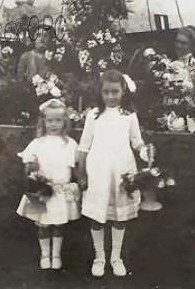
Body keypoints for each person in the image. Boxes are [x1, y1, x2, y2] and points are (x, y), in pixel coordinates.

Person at [77, 69, 151, 277]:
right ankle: (99, 257)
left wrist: (144, 151)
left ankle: (116, 257)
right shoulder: (93, 115)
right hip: (98, 171)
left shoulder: (129, 115)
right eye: (106, 92)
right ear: (100, 92)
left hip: (122, 171)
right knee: (97, 217)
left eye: (115, 92)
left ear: (123, 90)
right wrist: (81, 172)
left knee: (119, 216)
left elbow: (137, 141)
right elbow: (84, 146)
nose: (111, 96)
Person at [16, 99, 81, 270]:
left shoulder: (70, 144)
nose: (54, 124)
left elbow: (76, 168)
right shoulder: (38, 143)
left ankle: (56, 255)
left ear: (64, 121)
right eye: (50, 120)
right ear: (43, 121)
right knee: (43, 224)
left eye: (58, 120)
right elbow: (28, 165)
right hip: (43, 191)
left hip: (60, 190)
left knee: (59, 224)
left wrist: (78, 181)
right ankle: (45, 254)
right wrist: (33, 170)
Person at [173, 25, 195, 98]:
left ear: (192, 46)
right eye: (177, 42)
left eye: (183, 43)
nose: (178, 46)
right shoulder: (169, 66)